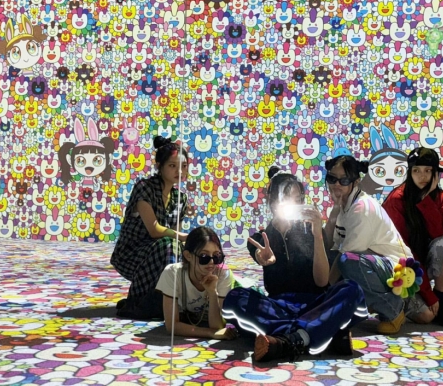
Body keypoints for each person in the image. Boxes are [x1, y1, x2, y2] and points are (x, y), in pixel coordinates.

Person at [222, 167, 367, 362]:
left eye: (298, 200)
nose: (293, 205)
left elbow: (322, 281)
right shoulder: (261, 238)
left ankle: (289, 339)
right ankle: (318, 334)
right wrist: (261, 256)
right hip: (277, 307)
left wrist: (318, 235)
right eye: (286, 199)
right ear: (273, 200)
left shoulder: (310, 231)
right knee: (234, 299)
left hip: (315, 305)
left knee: (352, 290)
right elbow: (258, 252)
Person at [324, 155, 413, 335]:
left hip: (399, 271)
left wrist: (323, 291)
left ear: (355, 182)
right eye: (332, 179)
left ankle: (393, 309)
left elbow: (346, 256)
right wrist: (334, 212)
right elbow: (328, 244)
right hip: (375, 262)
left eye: (344, 180)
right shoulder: (344, 204)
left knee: (347, 261)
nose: (336, 184)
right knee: (323, 256)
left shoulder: (361, 208)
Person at [110, 136, 189, 320]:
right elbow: (154, 230)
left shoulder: (181, 198)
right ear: (159, 166)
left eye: (184, 166)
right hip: (131, 254)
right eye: (172, 166)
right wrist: (185, 237)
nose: (180, 171)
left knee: (182, 252)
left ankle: (163, 300)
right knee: (169, 245)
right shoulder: (144, 188)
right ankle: (137, 302)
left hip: (161, 252)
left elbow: (175, 235)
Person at [382, 147, 443, 327]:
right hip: (399, 265)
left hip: (421, 263)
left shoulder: (439, 196)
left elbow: (439, 231)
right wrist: (427, 294)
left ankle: (442, 301)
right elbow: (403, 250)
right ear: (409, 172)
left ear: (435, 173)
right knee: (426, 316)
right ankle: (389, 302)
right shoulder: (396, 200)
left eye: (428, 170)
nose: (422, 176)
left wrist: (426, 200)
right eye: (416, 171)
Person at [157, 226, 238, 340]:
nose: (211, 262)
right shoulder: (172, 273)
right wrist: (209, 333)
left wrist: (213, 293)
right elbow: (171, 326)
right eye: (204, 256)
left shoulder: (222, 273)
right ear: (188, 256)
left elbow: (218, 327)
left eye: (217, 256)